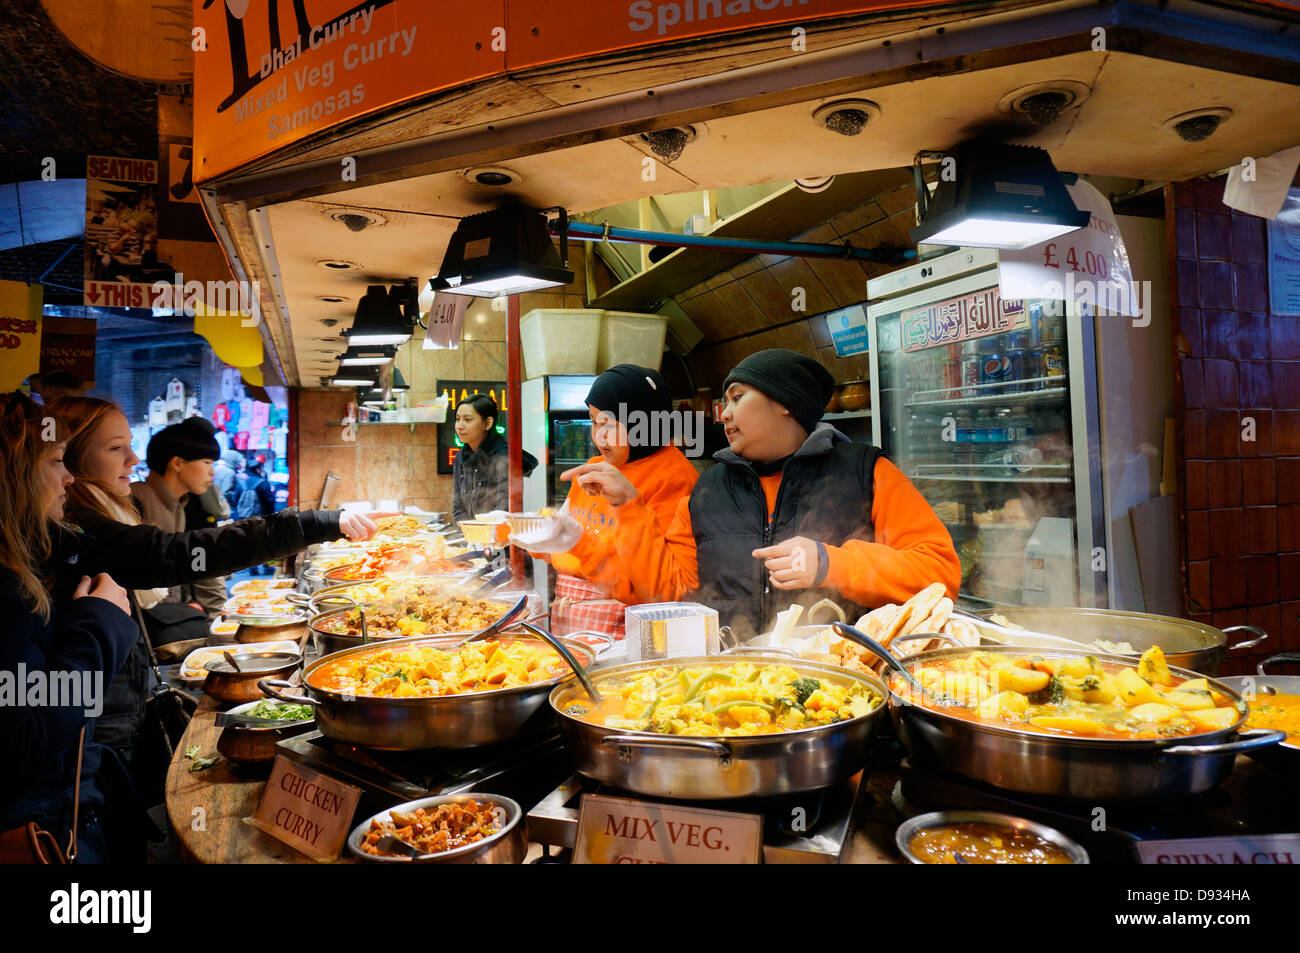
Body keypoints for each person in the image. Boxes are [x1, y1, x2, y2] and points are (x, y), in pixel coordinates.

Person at [47, 395, 376, 806]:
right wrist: (314, 523)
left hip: (114, 708)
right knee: (114, 813)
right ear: (74, 460)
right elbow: (173, 554)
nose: (133, 458)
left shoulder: (103, 513)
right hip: (101, 723)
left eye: (129, 444)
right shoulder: (80, 527)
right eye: (116, 448)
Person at [566, 349, 961, 638]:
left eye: (738, 398)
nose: (723, 413)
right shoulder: (709, 491)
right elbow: (669, 596)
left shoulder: (867, 474)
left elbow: (940, 574)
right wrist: (627, 506)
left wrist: (832, 563)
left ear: (785, 404)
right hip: (733, 682)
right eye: (725, 401)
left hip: (842, 685)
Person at [0, 392, 139, 863]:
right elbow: (29, 740)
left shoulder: (33, 562)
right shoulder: (6, 591)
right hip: (41, 836)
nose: (69, 478)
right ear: (13, 479)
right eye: (57, 462)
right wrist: (98, 626)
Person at [521, 366, 698, 637]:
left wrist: (579, 544)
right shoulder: (595, 466)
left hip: (627, 623)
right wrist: (532, 535)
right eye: (594, 422)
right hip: (570, 617)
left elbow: (662, 586)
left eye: (610, 424)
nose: (599, 436)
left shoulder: (675, 478)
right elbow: (565, 540)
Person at [132, 418, 229, 615]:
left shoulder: (178, 503)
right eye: (207, 462)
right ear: (177, 463)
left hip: (171, 615)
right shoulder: (138, 501)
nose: (212, 472)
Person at [451, 395, 538, 522]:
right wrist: (469, 534)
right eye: (458, 419)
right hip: (472, 536)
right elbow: (458, 505)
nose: (459, 426)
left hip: (499, 537)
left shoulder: (504, 457)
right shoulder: (460, 457)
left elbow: (504, 509)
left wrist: (483, 536)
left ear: (487, 423)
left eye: (467, 420)